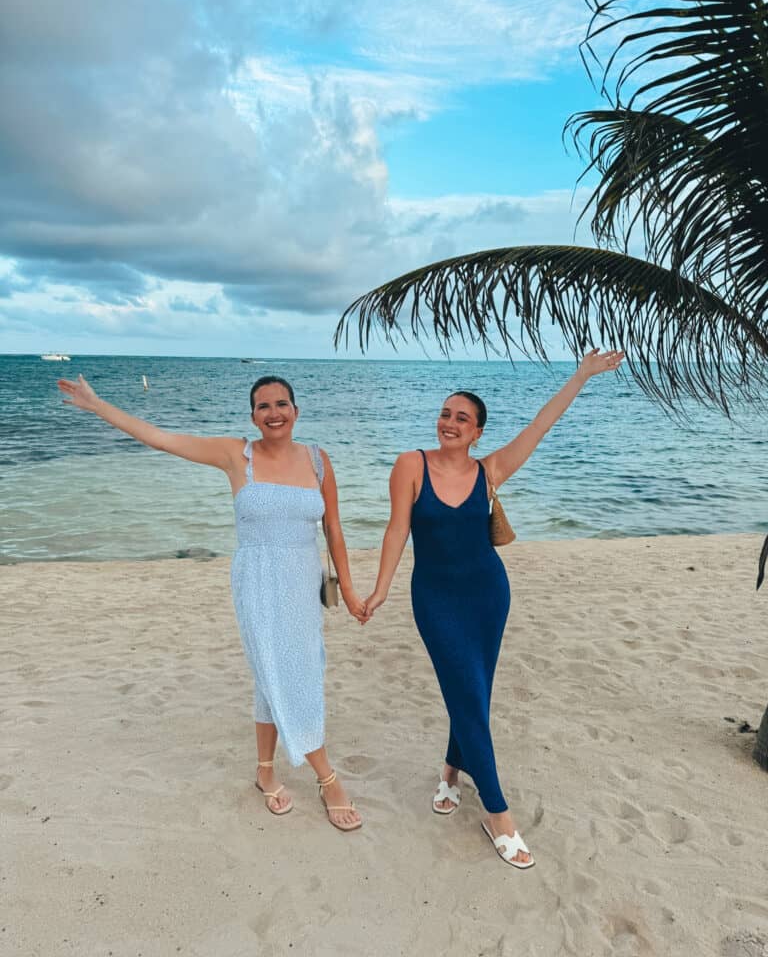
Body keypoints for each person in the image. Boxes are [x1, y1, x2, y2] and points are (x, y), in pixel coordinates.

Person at [57, 373, 366, 831]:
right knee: (282, 670)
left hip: (301, 584)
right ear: (252, 416)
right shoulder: (236, 455)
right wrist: (98, 405)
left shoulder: (318, 461)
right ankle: (327, 776)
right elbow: (162, 439)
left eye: (282, 404)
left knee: (287, 671)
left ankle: (265, 771)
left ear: (296, 411)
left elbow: (334, 529)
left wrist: (352, 590)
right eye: (264, 406)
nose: (274, 413)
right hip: (257, 581)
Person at [363, 348, 625, 867]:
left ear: (478, 431)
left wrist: (581, 375)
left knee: (473, 692)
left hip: (488, 595)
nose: (450, 423)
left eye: (462, 418)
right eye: (445, 414)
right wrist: (382, 588)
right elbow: (397, 530)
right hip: (434, 599)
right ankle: (499, 812)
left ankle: (449, 773)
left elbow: (541, 425)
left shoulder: (491, 470)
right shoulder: (410, 465)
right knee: (464, 687)